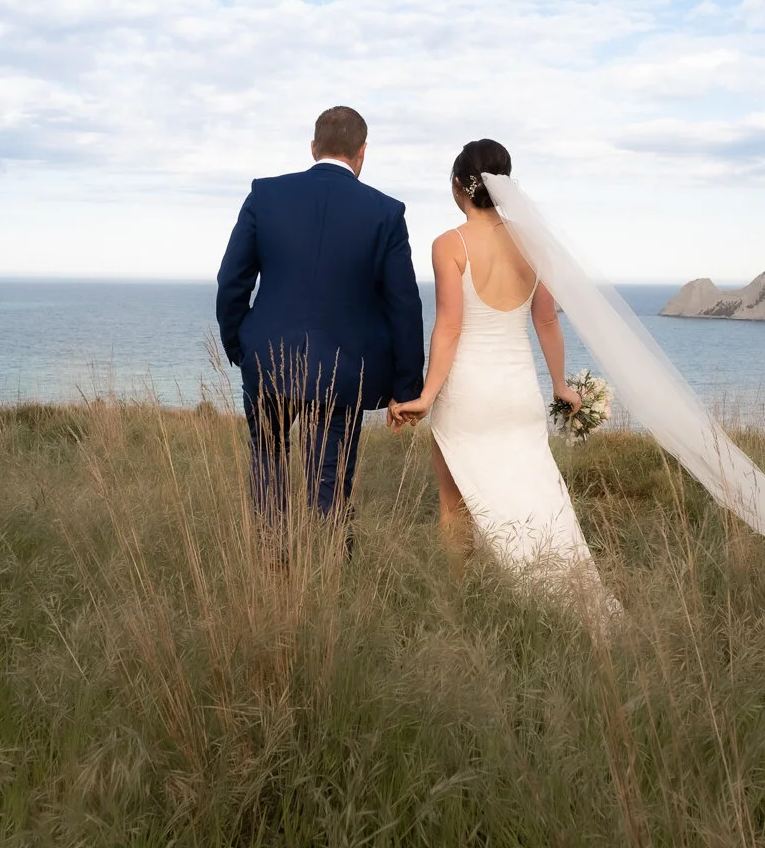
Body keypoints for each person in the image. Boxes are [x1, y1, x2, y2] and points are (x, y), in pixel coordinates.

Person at [388, 139, 618, 616]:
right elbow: (548, 321)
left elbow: (449, 327)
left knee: (455, 507)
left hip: (467, 397)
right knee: (540, 498)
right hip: (519, 395)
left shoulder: (448, 244)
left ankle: (462, 602)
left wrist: (426, 396)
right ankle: (568, 596)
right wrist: (560, 385)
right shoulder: (534, 243)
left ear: (458, 186)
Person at [215, 107, 425, 553]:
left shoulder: (265, 195)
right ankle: (330, 572)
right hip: (344, 369)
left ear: (313, 148)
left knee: (268, 462)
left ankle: (274, 566)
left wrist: (240, 346)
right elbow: (404, 304)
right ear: (362, 153)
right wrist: (406, 387)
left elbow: (232, 280)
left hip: (268, 362)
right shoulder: (386, 213)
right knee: (328, 481)